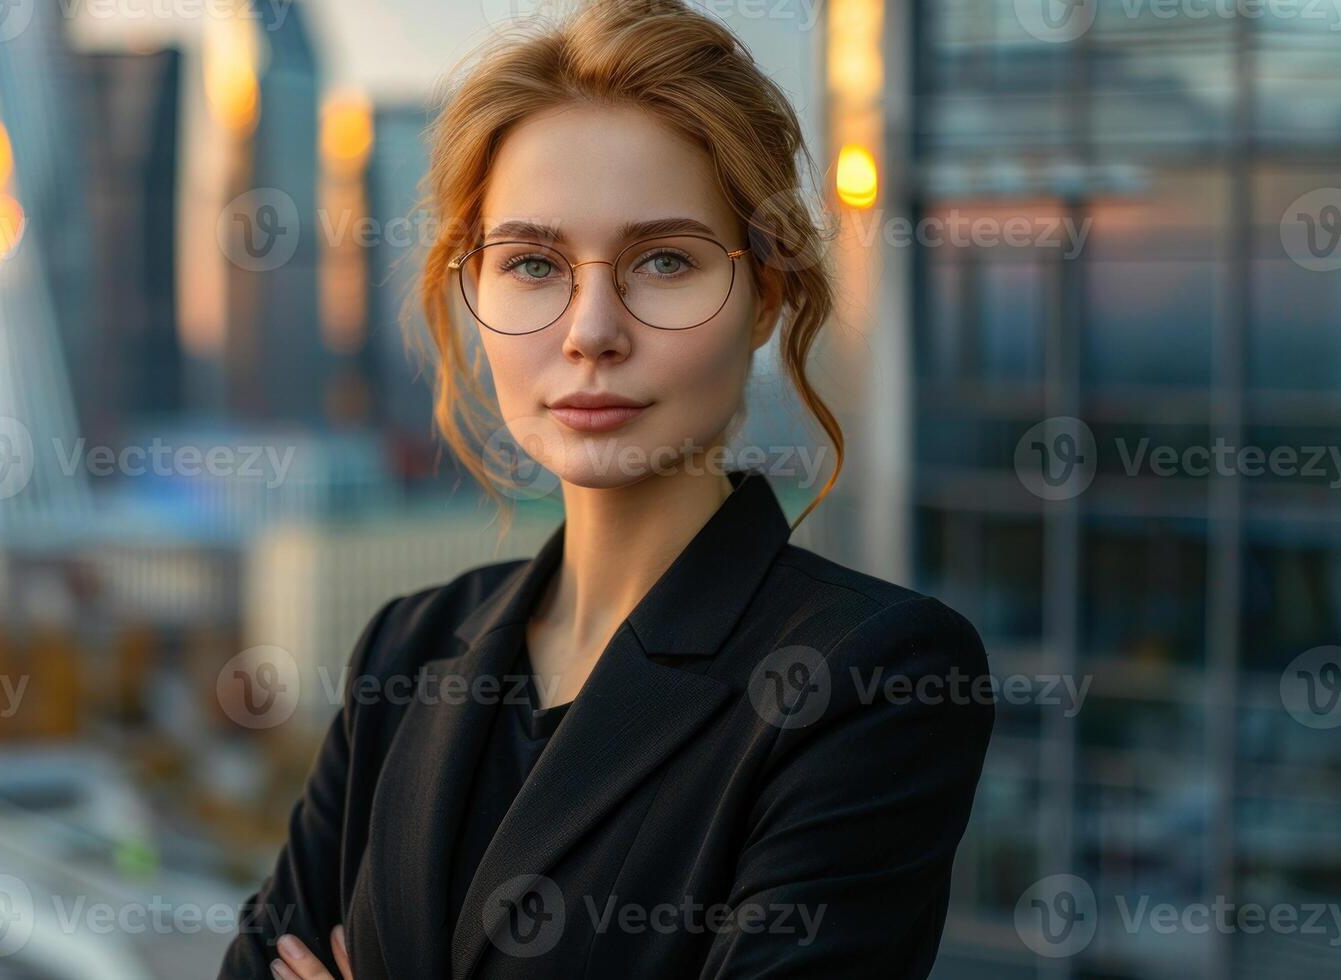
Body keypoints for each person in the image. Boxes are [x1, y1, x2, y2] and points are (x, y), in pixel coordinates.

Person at [219, 1, 993, 976]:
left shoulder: (869, 676)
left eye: (664, 260)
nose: (591, 329)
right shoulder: (409, 648)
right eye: (534, 263)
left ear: (768, 297)